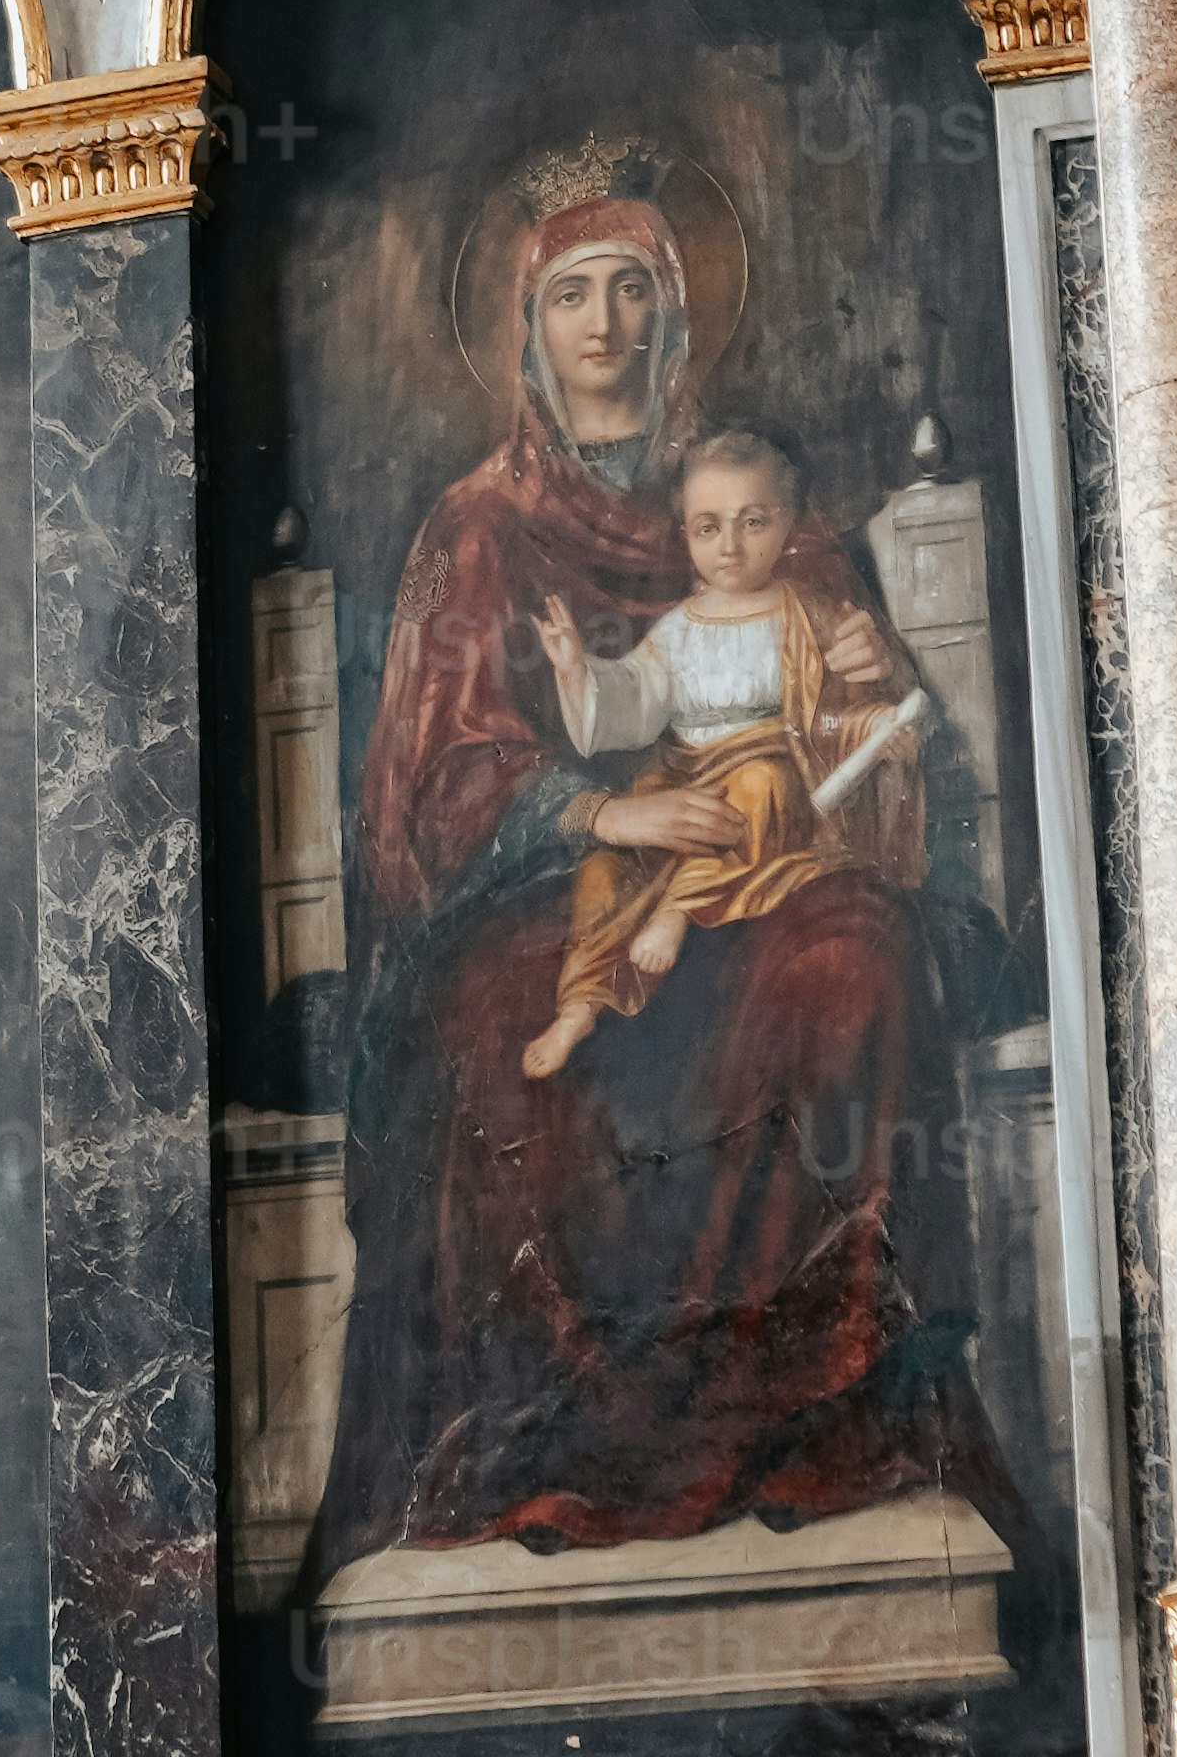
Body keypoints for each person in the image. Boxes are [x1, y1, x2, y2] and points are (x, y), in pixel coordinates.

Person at [302, 156, 1024, 1592]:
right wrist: (600, 819)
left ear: (676, 315)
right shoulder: (481, 528)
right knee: (504, 1020)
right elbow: (439, 776)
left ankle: (815, 1411)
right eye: (573, 293)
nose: (606, 322)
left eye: (634, 288)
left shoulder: (765, 507)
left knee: (858, 963)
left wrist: (871, 696)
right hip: (565, 883)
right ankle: (544, 1434)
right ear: (525, 329)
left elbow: (873, 756)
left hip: (767, 863)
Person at [520, 420, 915, 1075]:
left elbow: (827, 717)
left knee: (757, 783)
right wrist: (572, 669)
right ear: (685, 536)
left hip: (774, 772)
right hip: (685, 774)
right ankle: (579, 1006)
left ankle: (676, 913)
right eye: (707, 528)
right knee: (604, 867)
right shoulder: (678, 629)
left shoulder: (807, 613)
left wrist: (874, 728)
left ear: (788, 525)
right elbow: (632, 705)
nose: (728, 546)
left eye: (751, 523)